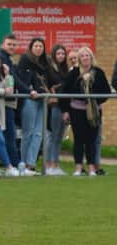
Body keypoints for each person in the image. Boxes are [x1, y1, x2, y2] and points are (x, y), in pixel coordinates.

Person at [60, 47, 110, 176]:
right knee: (78, 139)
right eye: (82, 56)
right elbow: (64, 91)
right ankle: (78, 167)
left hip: (93, 112)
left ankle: (92, 168)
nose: (85, 58)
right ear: (79, 59)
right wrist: (65, 111)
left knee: (92, 140)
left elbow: (106, 91)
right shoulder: (74, 73)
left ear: (91, 57)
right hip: (77, 110)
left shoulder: (98, 72)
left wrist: (94, 102)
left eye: (87, 55)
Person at [17, 37, 49, 175]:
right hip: (30, 99)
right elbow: (21, 80)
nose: (38, 48)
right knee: (27, 133)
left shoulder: (45, 63)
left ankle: (31, 164)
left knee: (38, 133)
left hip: (42, 100)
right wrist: (30, 90)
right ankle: (23, 164)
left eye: (40, 46)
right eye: (36, 46)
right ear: (31, 47)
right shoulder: (25, 60)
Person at [0, 33, 29, 167]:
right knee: (8, 134)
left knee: (7, 134)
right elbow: (12, 79)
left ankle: (11, 163)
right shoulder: (2, 58)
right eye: (9, 44)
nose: (11, 47)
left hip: (8, 100)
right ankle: (14, 164)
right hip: (4, 101)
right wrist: (28, 91)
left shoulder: (7, 58)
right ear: (3, 44)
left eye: (14, 45)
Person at [44, 44, 68, 175]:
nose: (61, 56)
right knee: (52, 135)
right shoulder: (49, 69)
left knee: (59, 137)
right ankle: (48, 165)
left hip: (63, 106)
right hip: (53, 106)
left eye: (63, 54)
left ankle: (55, 164)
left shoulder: (64, 69)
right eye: (58, 53)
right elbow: (47, 85)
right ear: (54, 54)